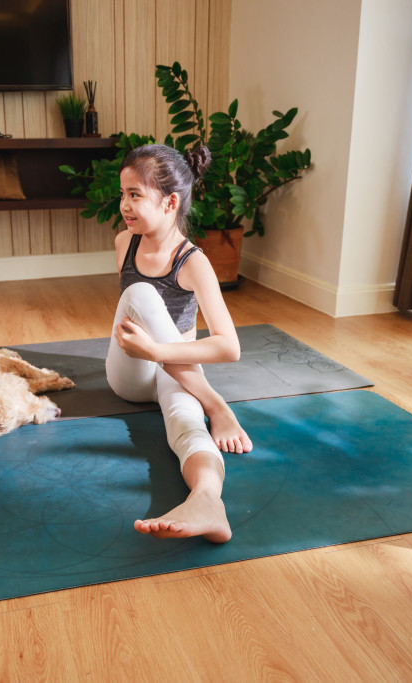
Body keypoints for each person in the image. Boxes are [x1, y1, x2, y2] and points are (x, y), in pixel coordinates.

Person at [107, 143, 253, 544]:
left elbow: (229, 347)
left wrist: (158, 352)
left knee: (187, 426)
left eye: (135, 194)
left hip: (174, 369)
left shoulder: (193, 261)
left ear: (170, 202)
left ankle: (207, 500)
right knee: (141, 296)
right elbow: (133, 317)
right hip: (130, 373)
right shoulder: (125, 243)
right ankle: (216, 404)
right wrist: (148, 355)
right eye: (123, 194)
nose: (125, 204)